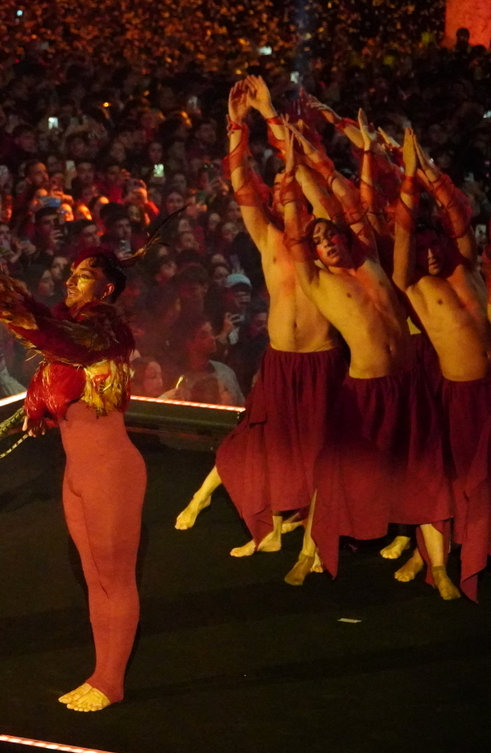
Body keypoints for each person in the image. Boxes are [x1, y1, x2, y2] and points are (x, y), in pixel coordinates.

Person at [0, 247, 145, 713]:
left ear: (107, 288)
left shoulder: (105, 331)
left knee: (114, 579)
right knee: (93, 578)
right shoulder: (71, 339)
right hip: (78, 474)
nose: (71, 282)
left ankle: (111, 681)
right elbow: (52, 351)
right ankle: (101, 672)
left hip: (110, 473)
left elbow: (56, 337)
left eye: (84, 276)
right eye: (72, 274)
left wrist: (2, 295)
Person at [275, 131, 453, 589]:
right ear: (311, 252)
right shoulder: (317, 282)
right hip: (366, 389)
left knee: (425, 469)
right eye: (318, 240)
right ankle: (310, 551)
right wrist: (292, 174)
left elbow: (350, 204)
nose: (327, 240)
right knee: (335, 470)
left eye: (330, 233)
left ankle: (437, 566)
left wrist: (325, 161)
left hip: (408, 382)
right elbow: (296, 228)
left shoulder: (370, 259)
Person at [176, 79, 345, 559]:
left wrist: (271, 114)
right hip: (279, 361)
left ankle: (312, 534)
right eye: (278, 188)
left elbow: (317, 179)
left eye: (290, 187)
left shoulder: (324, 239)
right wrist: (234, 125)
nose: (283, 190)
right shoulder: (269, 240)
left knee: (318, 451)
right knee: (258, 440)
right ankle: (254, 516)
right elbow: (240, 184)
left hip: (318, 360)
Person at [391, 128, 490, 599]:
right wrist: (409, 179)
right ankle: (437, 559)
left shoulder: (465, 268)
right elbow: (404, 236)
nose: (429, 255)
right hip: (460, 394)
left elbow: (458, 217)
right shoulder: (414, 287)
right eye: (421, 251)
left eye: (436, 248)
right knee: (452, 481)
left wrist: (431, 171)